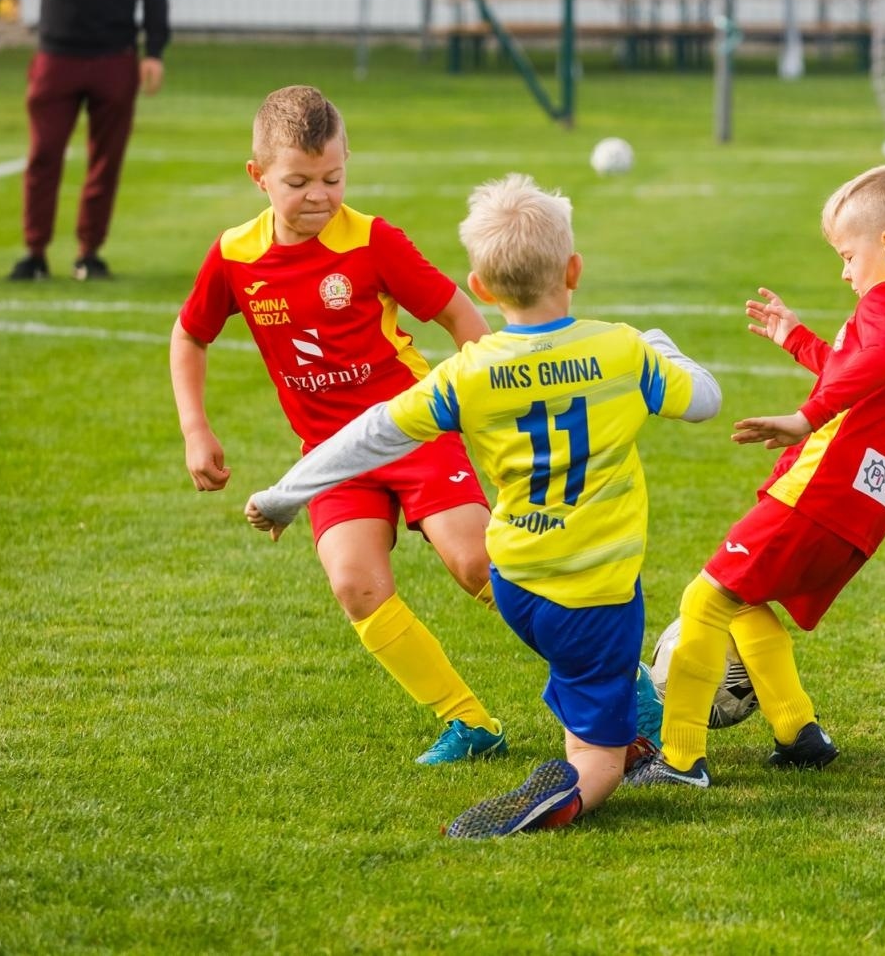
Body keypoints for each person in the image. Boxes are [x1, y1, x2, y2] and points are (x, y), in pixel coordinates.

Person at [246, 173, 721, 837]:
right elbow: (705, 400)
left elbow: (365, 434)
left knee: (577, 670)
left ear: (481, 287)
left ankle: (593, 714)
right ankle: (573, 778)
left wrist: (282, 494)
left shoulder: (469, 373)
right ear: (574, 269)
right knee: (601, 758)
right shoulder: (620, 349)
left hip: (517, 583)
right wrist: (664, 347)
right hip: (595, 591)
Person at [171, 86, 507, 766]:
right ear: (258, 176)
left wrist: (489, 395)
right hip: (332, 456)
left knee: (476, 564)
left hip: (411, 428)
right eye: (297, 182)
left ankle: (619, 685)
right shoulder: (236, 256)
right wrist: (195, 428)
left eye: (333, 177)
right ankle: (469, 722)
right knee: (355, 583)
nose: (318, 195)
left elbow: (458, 315)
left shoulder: (373, 241)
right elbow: (189, 335)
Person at [628, 165, 885, 788]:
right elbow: (867, 368)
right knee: (746, 602)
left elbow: (878, 359)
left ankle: (678, 758)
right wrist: (798, 338)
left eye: (847, 254)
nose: (844, 272)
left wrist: (806, 417)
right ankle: (797, 731)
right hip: (868, 501)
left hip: (822, 487)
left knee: (707, 597)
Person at [9, 0, 169, 281]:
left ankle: (89, 254)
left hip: (116, 55)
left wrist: (155, 49)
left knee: (106, 159)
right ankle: (34, 254)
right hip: (56, 55)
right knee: (44, 154)